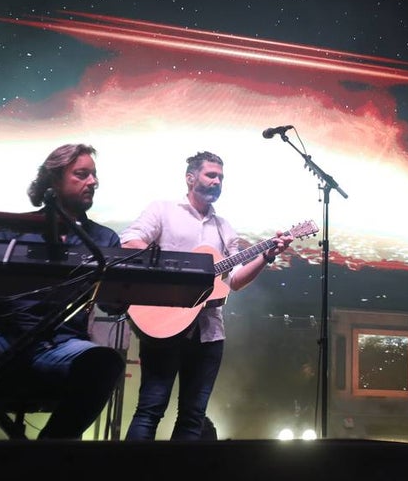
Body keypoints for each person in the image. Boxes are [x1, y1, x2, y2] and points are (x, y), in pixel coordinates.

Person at [0, 143, 126, 439]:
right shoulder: (13, 229)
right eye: (82, 174)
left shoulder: (104, 239)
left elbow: (113, 303)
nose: (93, 182)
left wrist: (122, 295)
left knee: (104, 363)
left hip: (62, 345)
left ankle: (47, 453)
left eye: (94, 175)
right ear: (54, 181)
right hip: (2, 337)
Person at [120, 150, 292, 440]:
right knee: (150, 410)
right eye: (211, 175)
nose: (217, 182)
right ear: (190, 178)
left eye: (221, 177)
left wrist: (266, 257)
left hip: (208, 333)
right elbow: (129, 241)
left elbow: (235, 280)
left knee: (192, 417)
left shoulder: (224, 229)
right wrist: (171, 273)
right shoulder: (163, 210)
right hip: (164, 325)